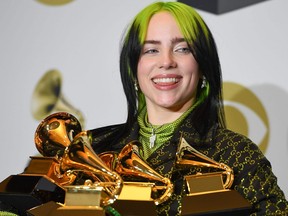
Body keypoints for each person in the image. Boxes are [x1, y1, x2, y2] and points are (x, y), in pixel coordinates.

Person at [90, 1, 288, 215]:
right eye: (151, 50)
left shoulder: (235, 152)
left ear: (202, 66)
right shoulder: (96, 149)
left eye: (182, 49)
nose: (166, 61)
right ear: (133, 68)